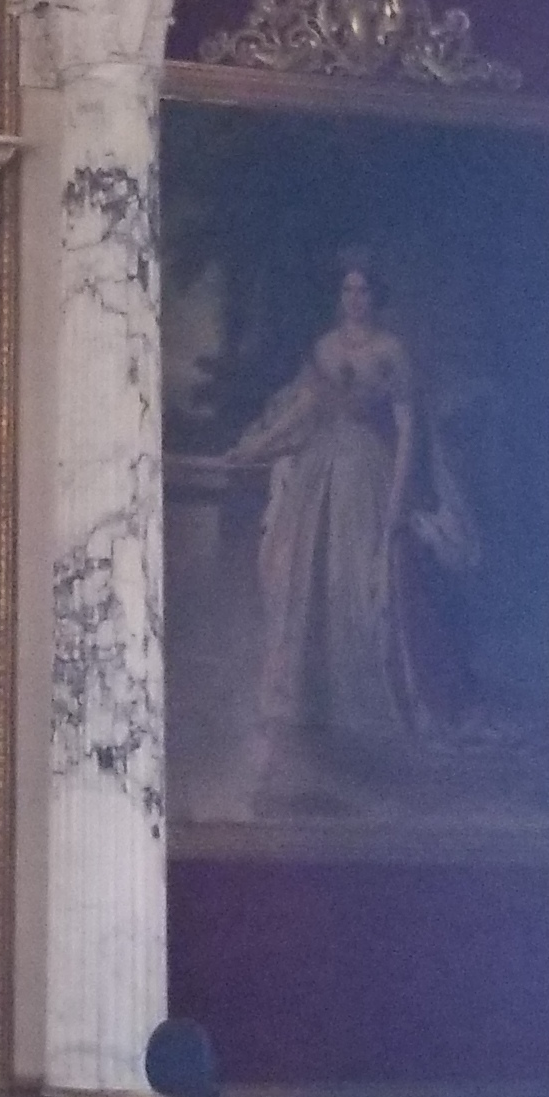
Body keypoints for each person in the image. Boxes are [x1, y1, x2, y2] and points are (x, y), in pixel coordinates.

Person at [217, 252, 473, 800]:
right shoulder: (326, 348)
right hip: (320, 472)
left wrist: (396, 502)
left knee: (361, 584)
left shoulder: (391, 352)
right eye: (347, 291)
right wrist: (255, 448)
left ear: (375, 297)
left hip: (366, 473)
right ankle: (312, 705)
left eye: (362, 291)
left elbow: (405, 432)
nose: (354, 299)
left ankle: (366, 708)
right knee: (308, 578)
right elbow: (302, 411)